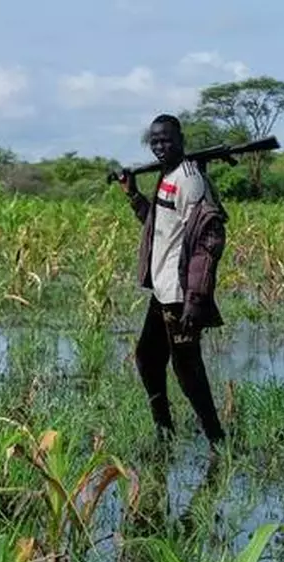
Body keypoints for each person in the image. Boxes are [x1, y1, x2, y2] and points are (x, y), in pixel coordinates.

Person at [116, 114, 229, 450]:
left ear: (181, 140)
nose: (160, 146)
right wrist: (133, 195)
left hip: (181, 293)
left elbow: (207, 241)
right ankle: (164, 432)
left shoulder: (190, 181)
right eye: (155, 141)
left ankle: (217, 440)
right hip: (163, 290)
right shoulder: (167, 176)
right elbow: (159, 225)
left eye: (166, 140)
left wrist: (196, 298)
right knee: (148, 359)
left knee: (187, 368)